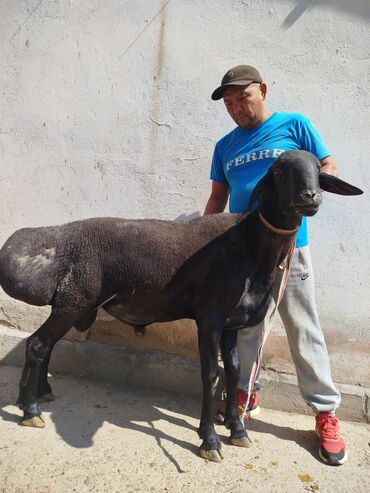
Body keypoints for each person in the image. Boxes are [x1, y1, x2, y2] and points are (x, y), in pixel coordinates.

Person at [204, 64, 347, 466]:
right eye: (228, 103)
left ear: (262, 90)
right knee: (246, 329)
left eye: (242, 98)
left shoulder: (294, 125)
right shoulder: (225, 146)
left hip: (290, 249)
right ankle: (245, 394)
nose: (236, 108)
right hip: (243, 254)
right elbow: (217, 200)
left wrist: (315, 190)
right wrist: (200, 241)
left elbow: (328, 166)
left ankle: (325, 413)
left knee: (304, 330)